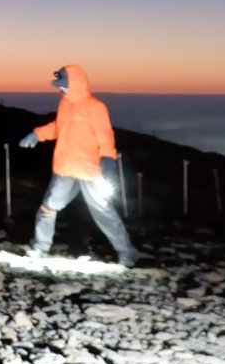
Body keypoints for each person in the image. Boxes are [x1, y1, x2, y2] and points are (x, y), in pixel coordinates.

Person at [17, 64, 138, 267]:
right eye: (60, 86)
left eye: (64, 85)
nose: (61, 89)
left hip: (90, 170)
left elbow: (105, 136)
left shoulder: (95, 107)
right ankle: (39, 248)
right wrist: (38, 134)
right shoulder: (65, 104)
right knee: (48, 208)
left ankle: (127, 253)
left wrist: (107, 159)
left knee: (103, 211)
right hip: (65, 168)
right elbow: (59, 127)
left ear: (77, 84)